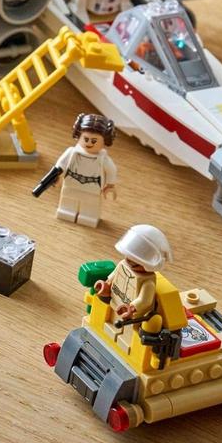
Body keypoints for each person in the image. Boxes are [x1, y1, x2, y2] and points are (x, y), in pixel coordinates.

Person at [93, 224, 172, 353]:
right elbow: (113, 277)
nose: (130, 261)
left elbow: (144, 300)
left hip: (131, 318)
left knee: (126, 335)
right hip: (115, 303)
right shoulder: (122, 265)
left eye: (136, 260)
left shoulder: (147, 281)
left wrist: (132, 308)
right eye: (129, 257)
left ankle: (125, 347)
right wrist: (106, 285)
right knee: (111, 324)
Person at [38, 113, 118, 227]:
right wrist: (56, 176)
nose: (89, 143)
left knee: (90, 203)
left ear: (104, 141)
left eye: (94, 141)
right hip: (71, 182)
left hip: (92, 186)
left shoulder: (103, 159)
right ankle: (66, 211)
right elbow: (60, 165)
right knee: (68, 199)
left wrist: (110, 185)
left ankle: (89, 216)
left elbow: (111, 170)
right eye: (86, 139)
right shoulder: (71, 152)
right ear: (79, 136)